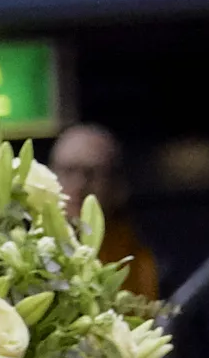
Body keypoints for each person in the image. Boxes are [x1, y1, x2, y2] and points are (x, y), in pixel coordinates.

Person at [48, 122, 159, 299]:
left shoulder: (147, 265)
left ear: (118, 186)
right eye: (68, 171)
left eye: (91, 173)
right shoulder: (33, 254)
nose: (79, 185)